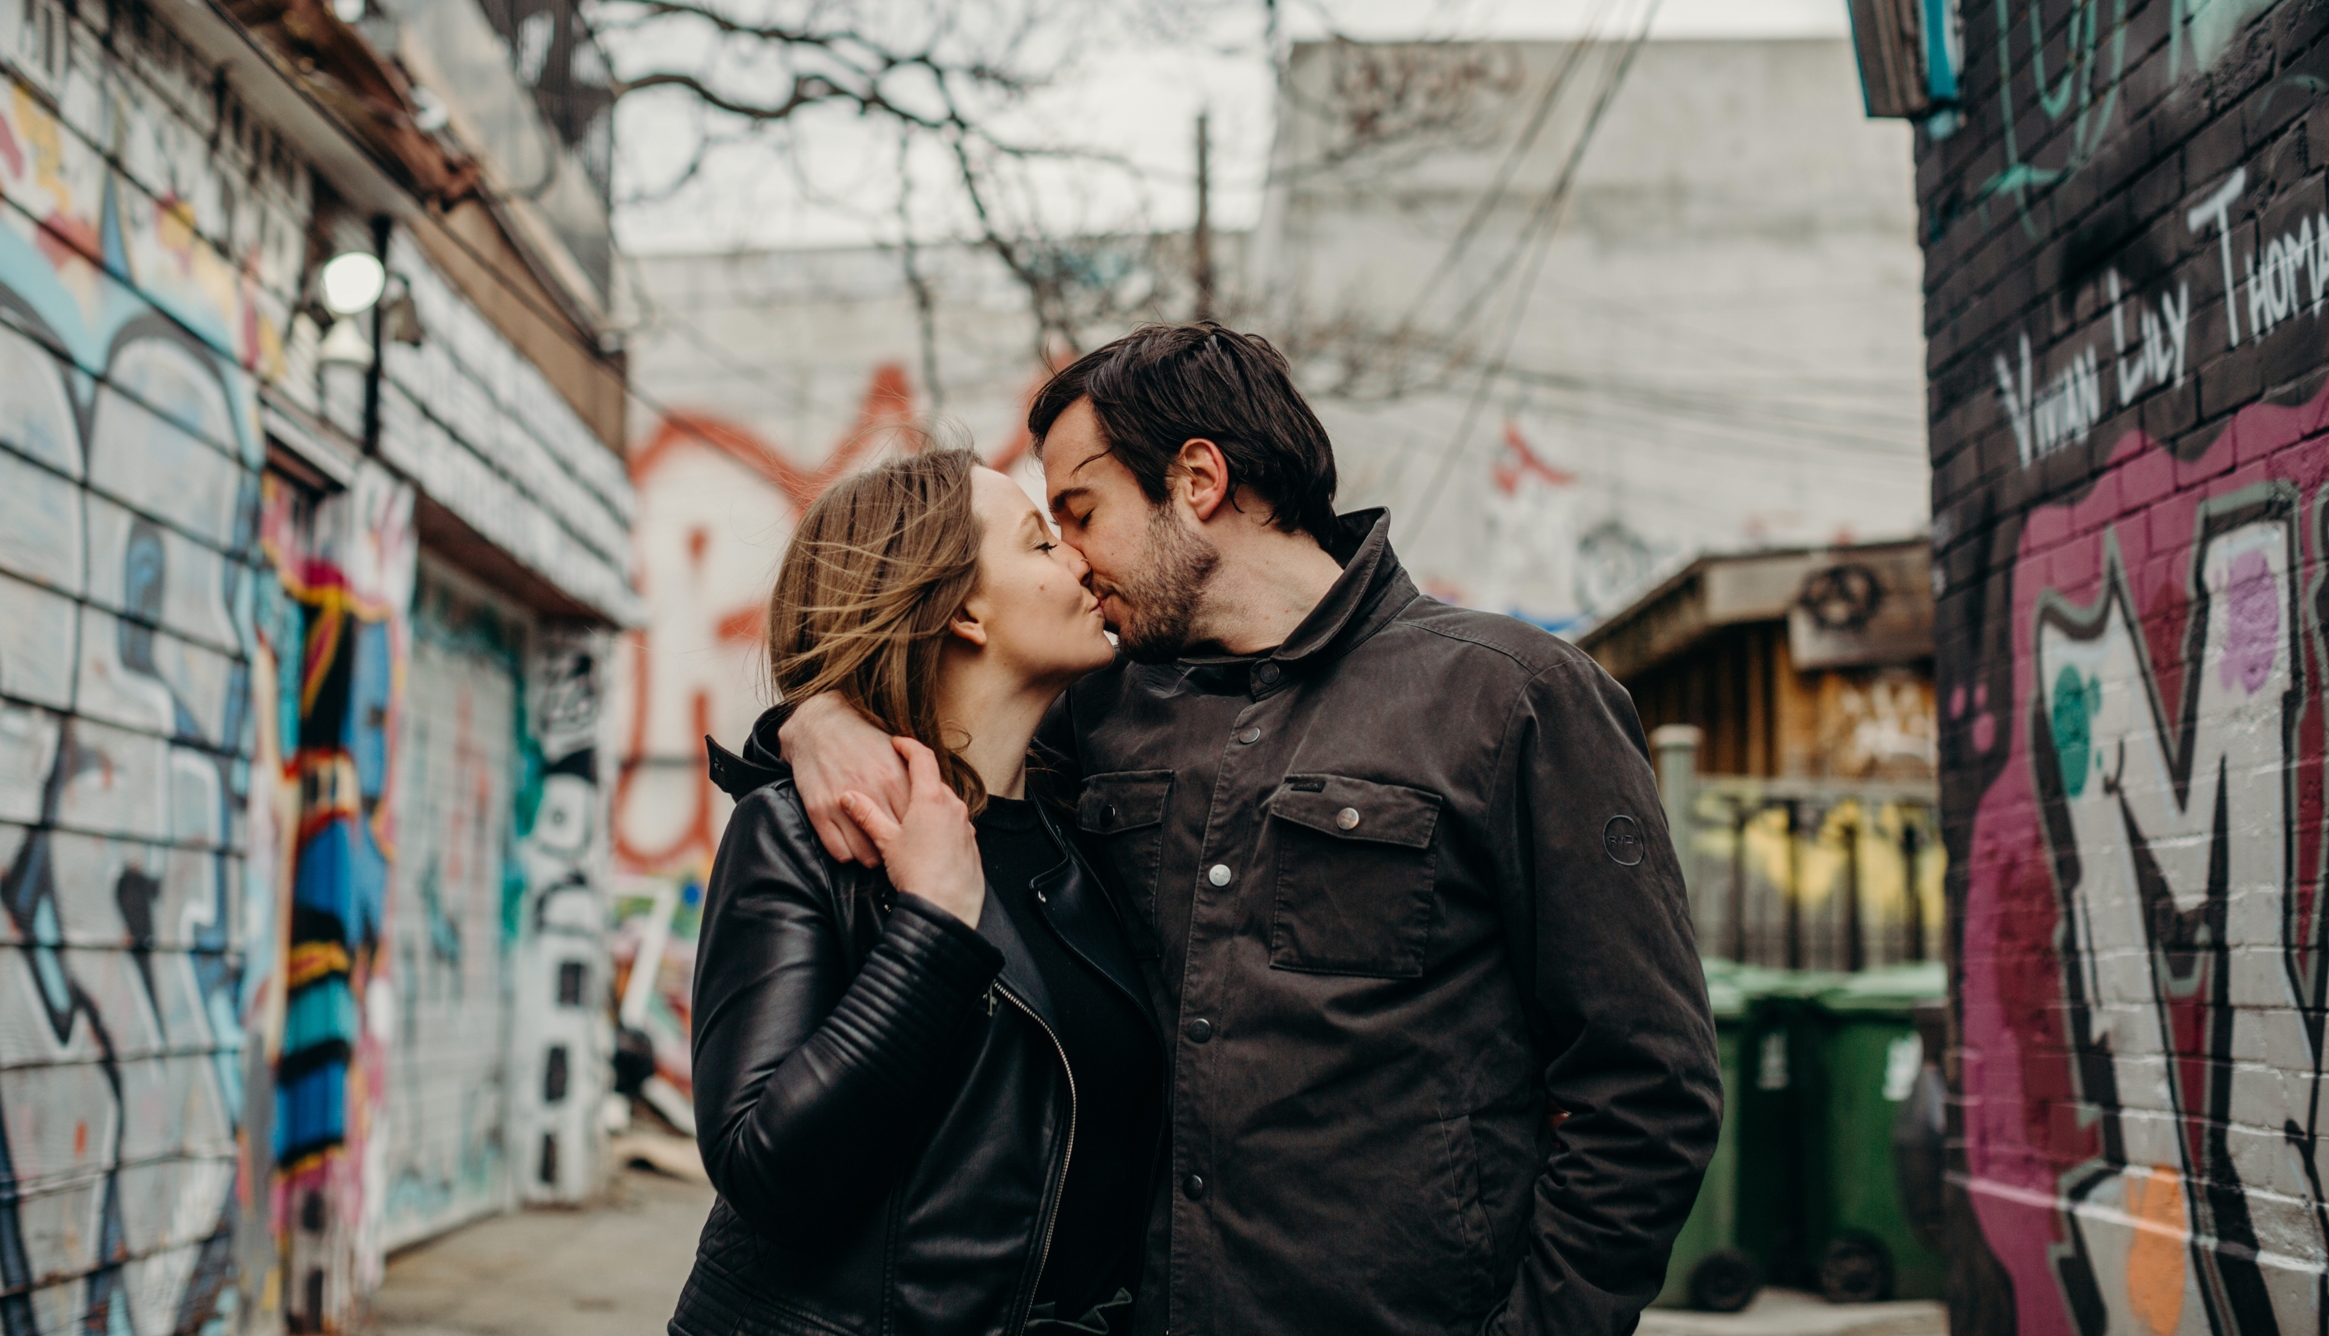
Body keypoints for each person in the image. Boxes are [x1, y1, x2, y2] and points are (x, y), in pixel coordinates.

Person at [770, 324, 1722, 1336]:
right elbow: (930, 701)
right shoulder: (1097, 709)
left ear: (1196, 479)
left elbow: (1648, 1086)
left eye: (1081, 513)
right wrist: (814, 718)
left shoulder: (1513, 697)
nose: (1076, 563)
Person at [674, 448, 1166, 1336]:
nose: (1079, 560)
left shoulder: (1081, 842)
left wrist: (808, 713)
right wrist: (933, 928)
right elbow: (764, 1171)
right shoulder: (806, 837)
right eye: (1038, 544)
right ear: (965, 612)